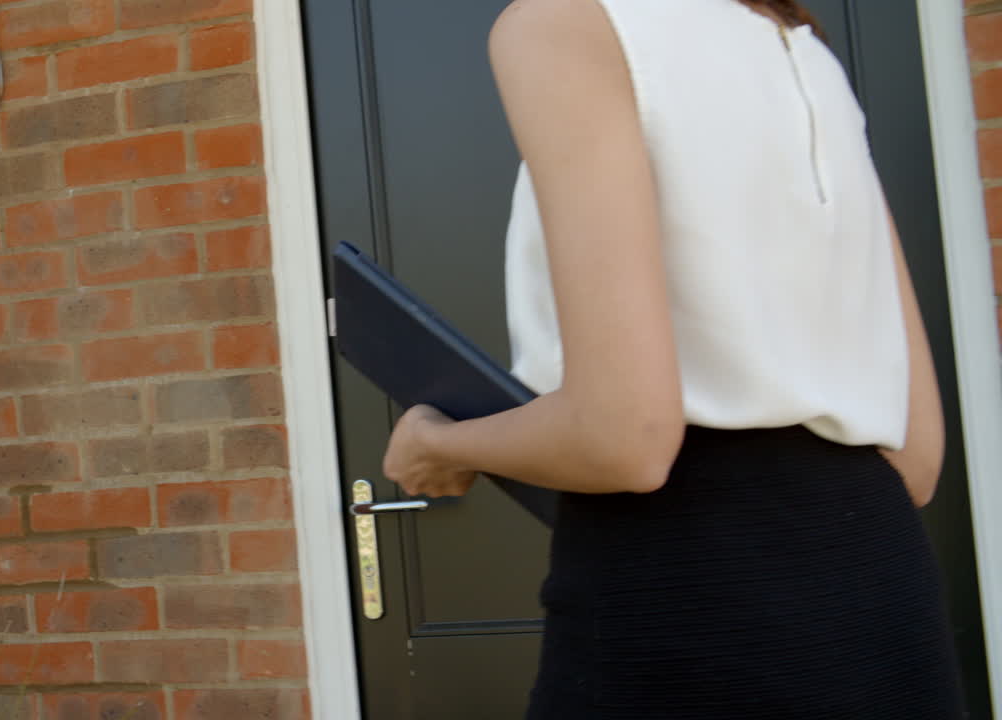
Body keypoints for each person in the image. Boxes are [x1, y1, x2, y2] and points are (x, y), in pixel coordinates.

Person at [379, 0, 968, 716]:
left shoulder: (566, 25)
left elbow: (624, 440)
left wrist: (438, 443)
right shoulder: (803, 49)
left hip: (690, 601)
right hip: (887, 606)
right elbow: (918, 456)